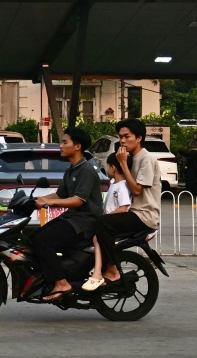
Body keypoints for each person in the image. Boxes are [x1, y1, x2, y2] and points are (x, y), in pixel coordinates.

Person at [32, 126, 104, 302]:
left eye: (65, 142)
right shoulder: (71, 169)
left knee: (43, 240)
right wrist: (35, 199)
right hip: (72, 219)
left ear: (77, 146)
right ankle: (60, 274)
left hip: (84, 222)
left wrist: (50, 202)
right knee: (34, 237)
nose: (61, 146)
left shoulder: (86, 170)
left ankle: (62, 282)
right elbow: (60, 194)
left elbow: (79, 200)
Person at [92, 118, 162, 286]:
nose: (122, 140)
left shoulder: (146, 159)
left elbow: (137, 190)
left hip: (143, 215)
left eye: (127, 136)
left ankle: (111, 270)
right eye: (120, 136)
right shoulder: (130, 158)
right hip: (132, 212)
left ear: (139, 138)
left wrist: (123, 163)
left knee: (103, 223)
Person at [81, 153, 132, 291]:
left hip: (111, 224)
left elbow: (123, 208)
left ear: (114, 168)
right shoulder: (113, 184)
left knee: (97, 238)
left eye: (108, 166)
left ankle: (97, 273)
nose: (107, 169)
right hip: (105, 221)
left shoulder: (122, 186)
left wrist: (105, 218)